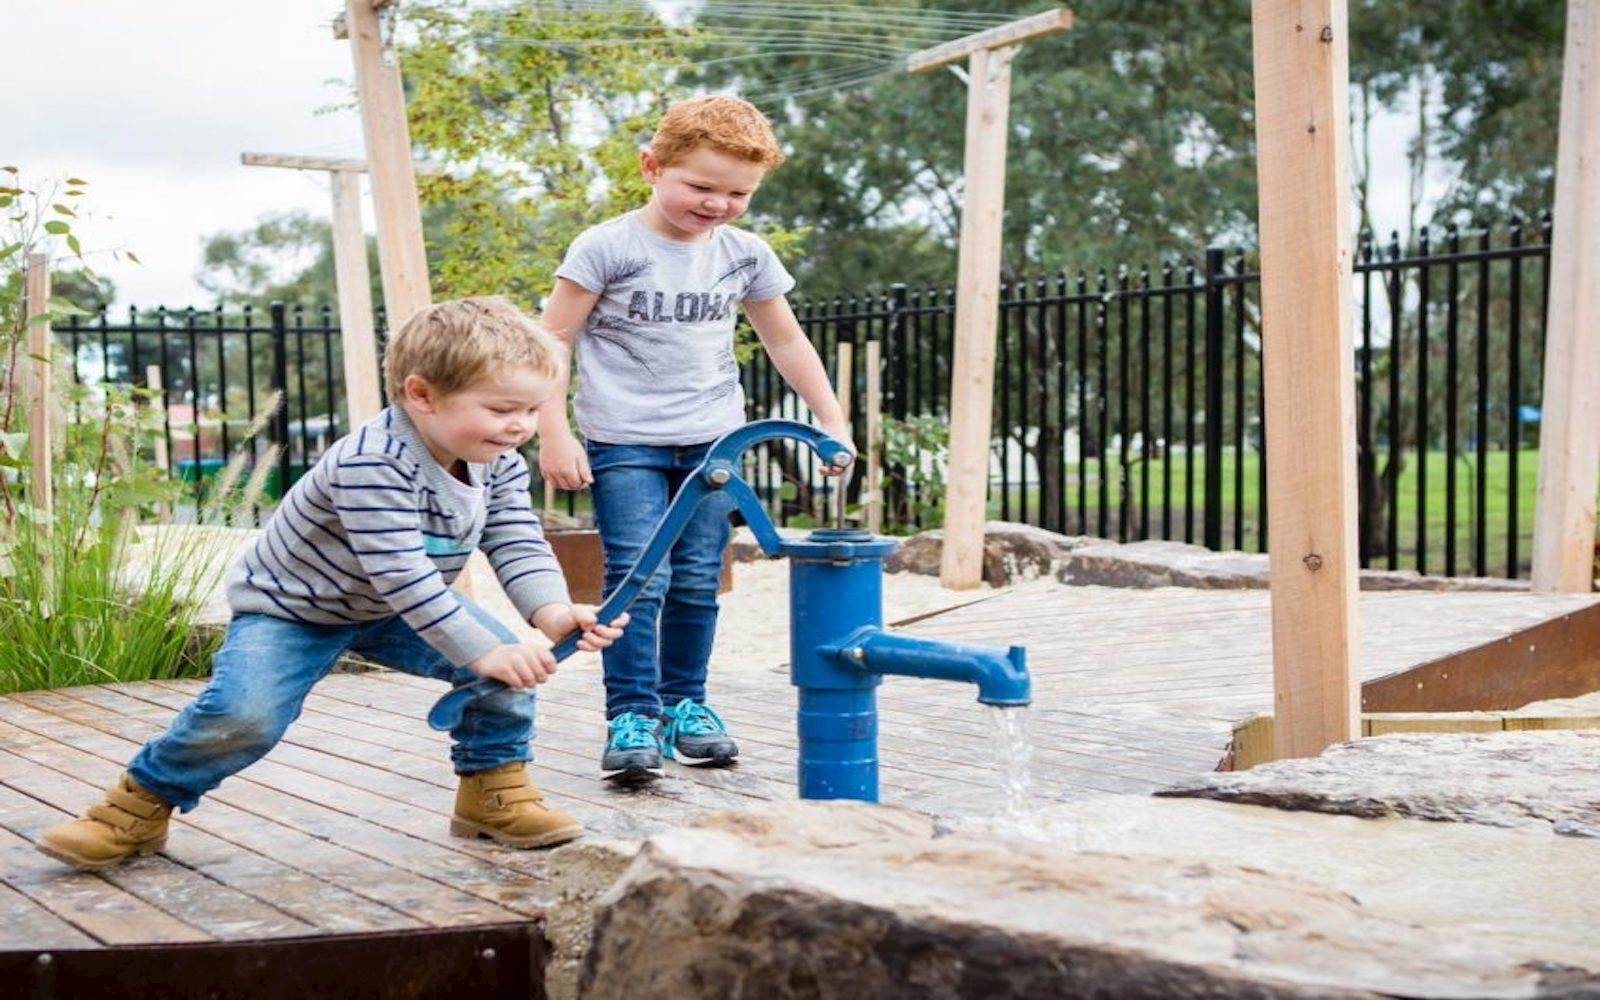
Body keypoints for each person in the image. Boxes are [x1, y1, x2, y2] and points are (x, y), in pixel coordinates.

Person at [37, 297, 627, 870]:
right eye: (503, 409)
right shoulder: (374, 461)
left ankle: (492, 794)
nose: (520, 426)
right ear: (421, 394)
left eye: (532, 410)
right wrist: (486, 650)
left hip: (393, 606)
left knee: (507, 677)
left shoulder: (495, 460)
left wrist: (550, 612)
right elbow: (402, 574)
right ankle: (135, 807)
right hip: (294, 610)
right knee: (244, 715)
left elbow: (515, 538)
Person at [537, 95, 853, 782]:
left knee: (698, 581)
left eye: (738, 193)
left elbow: (784, 338)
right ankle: (632, 713)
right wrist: (553, 432)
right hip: (624, 442)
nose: (717, 204)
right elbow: (550, 343)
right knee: (635, 576)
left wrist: (830, 418)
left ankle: (686, 704)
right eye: (701, 186)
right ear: (652, 167)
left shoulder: (744, 255)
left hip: (715, 445)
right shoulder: (607, 247)